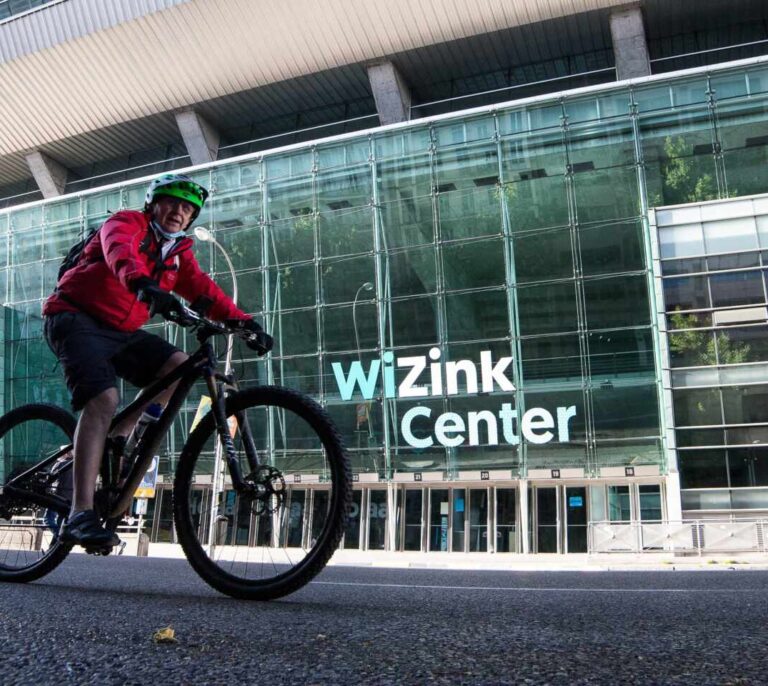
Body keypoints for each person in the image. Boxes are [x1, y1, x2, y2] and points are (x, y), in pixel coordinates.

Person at [42, 173, 273, 547]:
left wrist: (245, 323)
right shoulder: (126, 222)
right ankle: (80, 512)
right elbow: (121, 253)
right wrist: (143, 285)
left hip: (121, 330)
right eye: (172, 202)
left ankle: (120, 432)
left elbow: (204, 291)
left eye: (187, 208)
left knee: (178, 366)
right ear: (153, 204)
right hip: (74, 316)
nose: (179, 212)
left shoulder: (177, 255)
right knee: (103, 399)